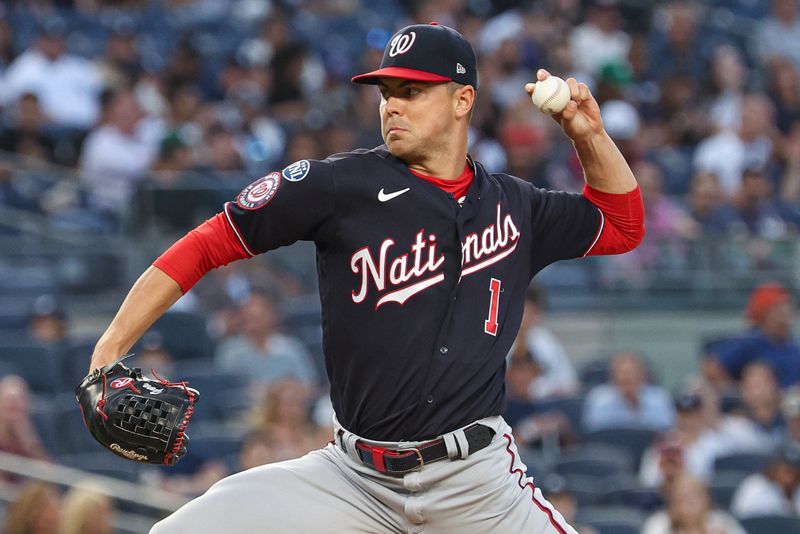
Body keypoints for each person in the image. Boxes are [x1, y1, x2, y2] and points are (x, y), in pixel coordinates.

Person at [89, 23, 644, 533]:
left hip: (477, 487)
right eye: (386, 93)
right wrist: (109, 348)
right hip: (352, 480)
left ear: (462, 100)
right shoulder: (338, 186)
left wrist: (587, 134)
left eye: (412, 91)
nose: (392, 107)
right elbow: (208, 243)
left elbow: (622, 225)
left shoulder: (516, 207)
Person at [582, 351, 676, 433]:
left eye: (633, 376)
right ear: (612, 377)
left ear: (643, 376)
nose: (628, 378)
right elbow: (594, 433)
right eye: (624, 379)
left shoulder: (659, 398)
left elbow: (668, 430)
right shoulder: (599, 399)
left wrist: (636, 403)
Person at [641, 473, 746, 534]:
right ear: (673, 503)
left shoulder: (722, 522)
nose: (690, 504)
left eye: (695, 497)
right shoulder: (658, 524)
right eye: (684, 498)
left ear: (707, 500)